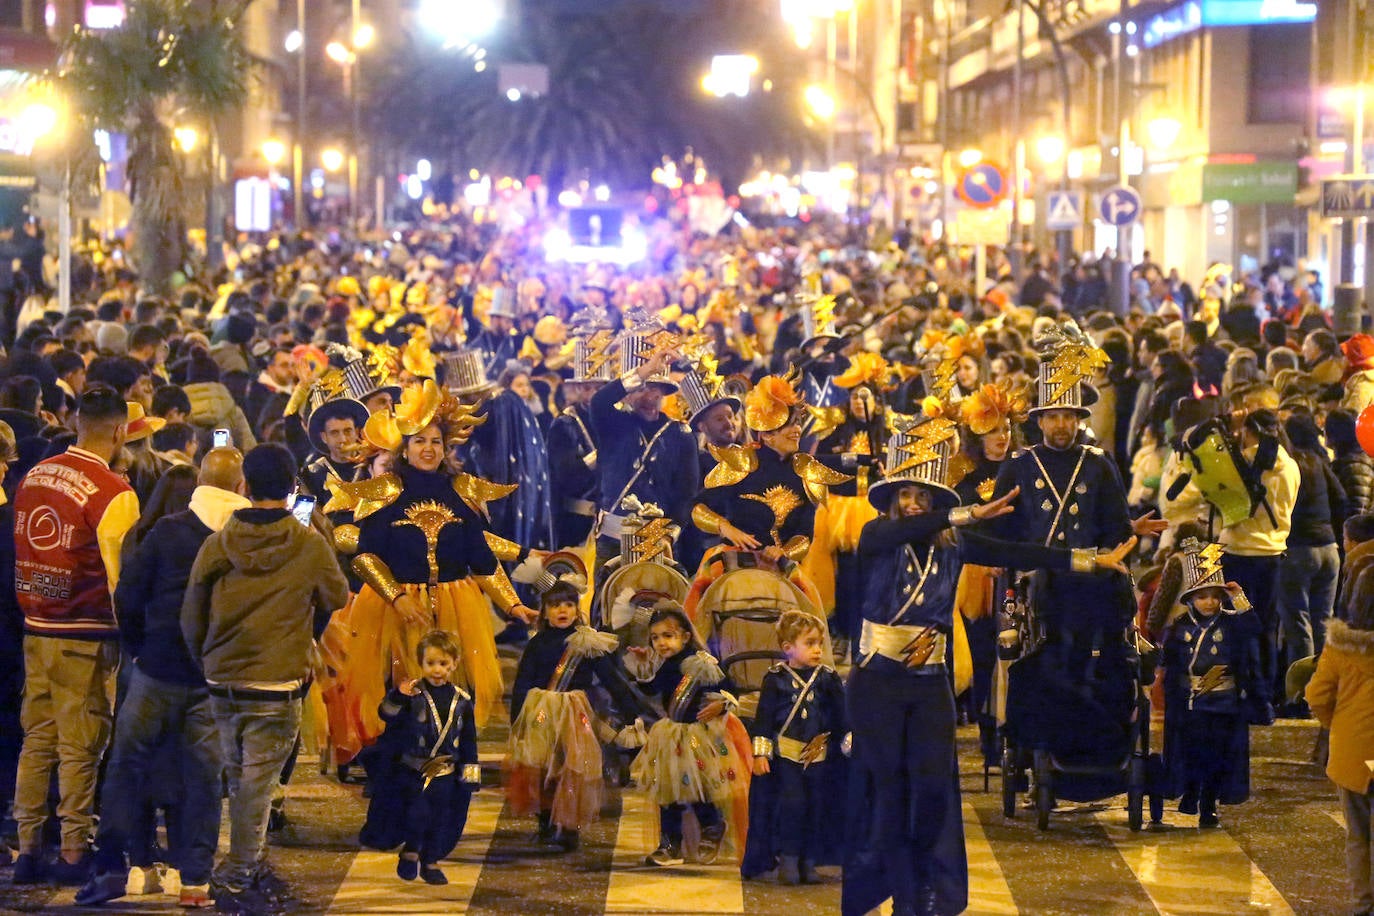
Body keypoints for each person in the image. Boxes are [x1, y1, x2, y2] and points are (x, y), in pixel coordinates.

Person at [842, 413, 1135, 916]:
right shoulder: (874, 534)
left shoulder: (954, 545)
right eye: (905, 496)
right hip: (877, 681)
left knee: (933, 789)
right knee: (887, 790)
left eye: (923, 497)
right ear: (893, 501)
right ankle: (889, 892)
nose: (913, 504)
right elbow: (895, 536)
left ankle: (932, 893)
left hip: (929, 680)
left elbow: (1020, 549)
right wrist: (966, 514)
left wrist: (1089, 560)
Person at [180, 443, 351, 913]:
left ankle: (246, 868)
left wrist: (206, 659)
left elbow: (191, 611)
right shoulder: (308, 543)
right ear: (293, 486)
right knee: (255, 787)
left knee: (239, 781)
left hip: (223, 678)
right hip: (277, 682)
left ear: (245, 487)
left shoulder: (219, 542)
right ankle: (236, 877)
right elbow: (336, 593)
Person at [76, 448, 250, 909]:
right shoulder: (247, 536)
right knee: (204, 779)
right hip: (211, 678)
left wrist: (139, 649)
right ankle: (194, 880)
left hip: (155, 670)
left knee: (126, 768)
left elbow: (129, 597)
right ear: (240, 487)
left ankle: (113, 866)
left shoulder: (167, 532)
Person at [11, 386, 140, 885]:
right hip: (84, 633)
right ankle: (71, 850)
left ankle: (26, 850)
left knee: (38, 738)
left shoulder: (34, 474)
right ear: (118, 430)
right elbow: (120, 578)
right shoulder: (113, 492)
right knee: (82, 745)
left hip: (35, 627)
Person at [505, 554, 650, 851]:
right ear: (544, 611)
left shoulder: (587, 641)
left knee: (573, 769)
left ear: (577, 609)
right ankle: (546, 823)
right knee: (543, 769)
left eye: (569, 605)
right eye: (556, 605)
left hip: (575, 714)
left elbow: (612, 679)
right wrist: (517, 719)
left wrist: (632, 712)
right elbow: (523, 682)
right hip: (540, 714)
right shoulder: (536, 644)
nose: (563, 610)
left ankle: (569, 827)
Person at [629, 603, 751, 868]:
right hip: (670, 736)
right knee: (668, 791)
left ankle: (712, 825)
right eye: (655, 637)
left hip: (698, 738)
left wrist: (722, 704)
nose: (661, 643)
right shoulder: (667, 664)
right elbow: (652, 690)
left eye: (668, 636)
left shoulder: (701, 662)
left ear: (685, 636)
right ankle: (671, 844)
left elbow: (731, 690)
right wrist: (641, 667)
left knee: (697, 788)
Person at [1160, 538, 1270, 829]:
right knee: (1192, 753)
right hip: (1190, 706)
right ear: (1191, 599)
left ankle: (1208, 806)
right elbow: (1170, 662)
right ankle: (1190, 793)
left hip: (1223, 705)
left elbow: (1254, 629)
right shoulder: (1181, 626)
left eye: (1214, 596)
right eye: (1202, 596)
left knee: (1216, 758)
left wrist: (1239, 597)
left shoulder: (1232, 622)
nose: (1209, 602)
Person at [358, 630, 480, 886]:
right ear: (421, 663)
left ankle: (430, 860)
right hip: (413, 770)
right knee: (417, 814)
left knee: (441, 817)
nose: (437, 670)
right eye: (431, 663)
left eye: (443, 664)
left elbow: (469, 741)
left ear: (454, 664)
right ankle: (411, 850)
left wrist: (470, 776)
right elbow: (386, 714)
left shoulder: (462, 700)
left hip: (446, 772)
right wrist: (398, 696)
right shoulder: (412, 695)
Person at [741, 610, 847, 885]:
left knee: (817, 807)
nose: (817, 650)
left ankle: (809, 862)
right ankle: (788, 859)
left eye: (820, 644)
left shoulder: (827, 678)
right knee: (791, 806)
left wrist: (849, 741)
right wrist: (761, 753)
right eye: (810, 643)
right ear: (788, 648)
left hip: (820, 756)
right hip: (787, 757)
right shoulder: (775, 679)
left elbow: (842, 716)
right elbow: (763, 721)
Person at [589, 347, 698, 591]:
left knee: (655, 610)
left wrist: (668, 535)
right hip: (612, 537)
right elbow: (599, 401)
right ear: (627, 395)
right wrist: (645, 370)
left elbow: (686, 494)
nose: (649, 395)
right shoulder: (612, 424)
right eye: (641, 389)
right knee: (607, 612)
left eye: (655, 389)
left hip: (658, 538)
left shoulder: (681, 434)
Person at [1305, 593, 1374, 916]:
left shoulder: (1340, 647)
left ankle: (1363, 904)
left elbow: (1317, 695)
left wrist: (1340, 728)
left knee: (1358, 835)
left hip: (1353, 755)